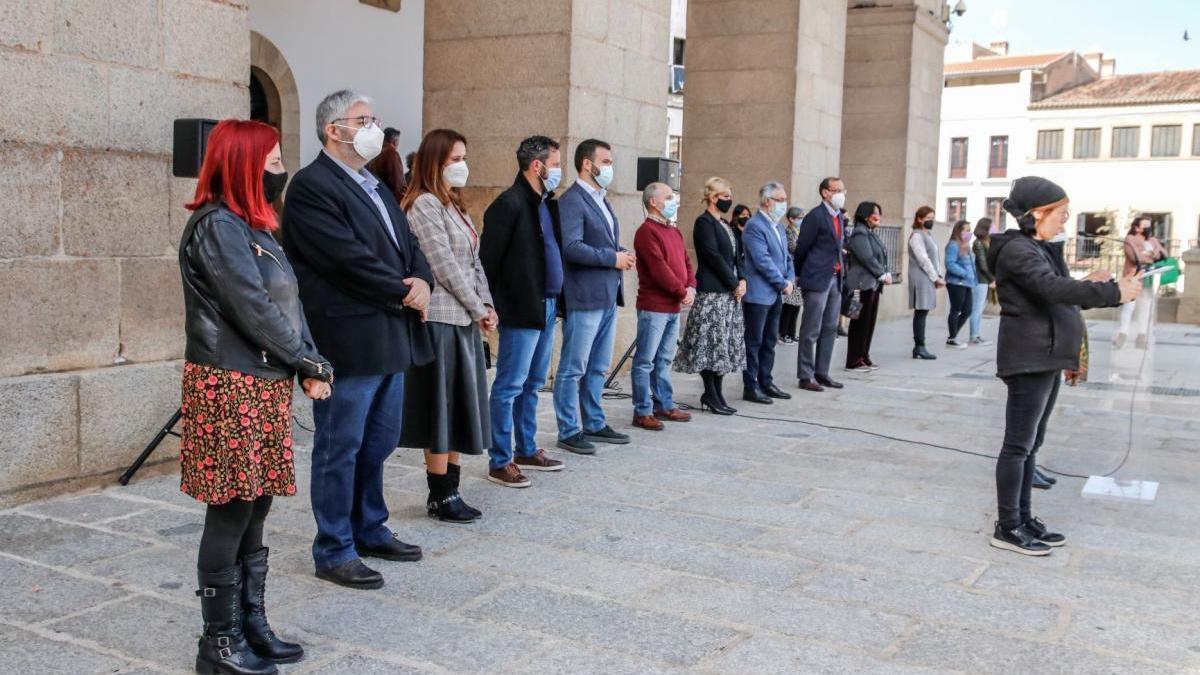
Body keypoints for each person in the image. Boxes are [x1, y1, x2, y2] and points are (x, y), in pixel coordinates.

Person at [179, 119, 332, 675]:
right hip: (229, 385)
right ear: (243, 165)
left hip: (261, 385)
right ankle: (217, 645)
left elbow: (290, 305)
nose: (280, 171)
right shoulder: (217, 226)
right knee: (230, 511)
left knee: (256, 508)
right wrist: (308, 362)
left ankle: (251, 623)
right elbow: (252, 309)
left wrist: (310, 359)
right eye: (271, 163)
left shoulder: (258, 229)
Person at [283, 90, 433, 590]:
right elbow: (344, 259)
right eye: (362, 119)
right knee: (339, 446)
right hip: (347, 336)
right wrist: (402, 291)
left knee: (380, 441)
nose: (372, 127)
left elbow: (409, 244)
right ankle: (334, 546)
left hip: (391, 331)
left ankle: (369, 526)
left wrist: (423, 280)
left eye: (373, 117)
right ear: (334, 130)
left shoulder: (376, 185)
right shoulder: (311, 187)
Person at [987, 176, 1139, 556]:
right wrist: (1112, 292)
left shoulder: (1035, 247)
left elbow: (1059, 285)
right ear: (1037, 213)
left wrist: (1087, 280)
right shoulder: (1016, 250)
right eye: (1061, 213)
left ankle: (1023, 517)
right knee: (1018, 445)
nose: (1065, 220)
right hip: (1028, 357)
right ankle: (1007, 526)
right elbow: (1051, 289)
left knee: (1032, 443)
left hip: (1047, 354)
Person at [398, 129, 496, 523]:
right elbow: (443, 267)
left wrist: (486, 304)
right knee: (440, 409)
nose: (462, 165)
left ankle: (452, 488)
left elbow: (474, 261)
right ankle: (440, 493)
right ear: (435, 161)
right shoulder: (423, 205)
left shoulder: (454, 205)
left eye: (464, 157)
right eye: (455, 158)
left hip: (465, 319)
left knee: (458, 407)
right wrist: (477, 308)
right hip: (440, 318)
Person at [479, 136, 566, 489]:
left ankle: (526, 447)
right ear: (537, 166)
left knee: (533, 383)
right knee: (509, 385)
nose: (559, 171)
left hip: (546, 305)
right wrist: (488, 305)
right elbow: (488, 262)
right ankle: (500, 460)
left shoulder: (546, 202)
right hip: (520, 306)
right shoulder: (509, 204)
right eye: (556, 164)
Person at [553, 138, 633, 454]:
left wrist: (620, 252)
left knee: (598, 366)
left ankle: (594, 422)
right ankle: (569, 428)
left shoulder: (602, 199)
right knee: (574, 367)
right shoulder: (572, 201)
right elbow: (571, 247)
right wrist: (611, 258)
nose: (610, 168)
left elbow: (603, 241)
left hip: (607, 295)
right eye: (607, 161)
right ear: (588, 164)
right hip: (584, 296)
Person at [674, 177, 746, 415]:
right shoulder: (704, 222)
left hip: (729, 294)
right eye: (725, 196)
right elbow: (713, 257)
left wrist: (743, 279)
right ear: (713, 198)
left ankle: (718, 393)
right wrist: (734, 283)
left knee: (723, 346)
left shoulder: (725, 223)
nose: (729, 200)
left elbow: (737, 255)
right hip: (713, 292)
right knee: (710, 345)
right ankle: (710, 393)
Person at [630, 182, 695, 430]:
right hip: (654, 306)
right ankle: (642, 410)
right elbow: (659, 269)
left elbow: (686, 263)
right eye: (668, 197)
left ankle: (664, 404)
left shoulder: (674, 231)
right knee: (645, 361)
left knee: (664, 359)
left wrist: (691, 286)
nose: (673, 201)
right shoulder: (646, 232)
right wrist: (681, 291)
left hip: (673, 307)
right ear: (653, 202)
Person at [740, 181, 794, 404]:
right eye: (780, 200)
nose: (784, 204)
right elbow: (762, 261)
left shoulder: (778, 226)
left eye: (784, 200)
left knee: (770, 340)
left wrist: (790, 279)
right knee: (754, 341)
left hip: (776, 293)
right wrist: (782, 282)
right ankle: (750, 385)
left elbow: (787, 257)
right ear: (766, 201)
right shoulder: (755, 226)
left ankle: (766, 380)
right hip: (759, 294)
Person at [793, 177, 848, 392]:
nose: (841, 194)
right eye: (837, 190)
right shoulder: (815, 216)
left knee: (830, 327)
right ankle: (805, 375)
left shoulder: (839, 217)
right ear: (825, 192)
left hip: (835, 278)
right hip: (816, 278)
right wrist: (799, 274)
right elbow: (802, 248)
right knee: (811, 328)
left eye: (843, 190)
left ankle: (822, 372)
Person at [843, 201, 892, 371]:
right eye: (875, 213)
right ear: (865, 215)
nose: (878, 216)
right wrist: (882, 274)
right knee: (858, 323)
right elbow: (867, 258)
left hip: (871, 286)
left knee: (868, 324)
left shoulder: (870, 233)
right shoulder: (859, 234)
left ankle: (863, 356)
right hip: (859, 287)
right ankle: (854, 360)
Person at [1115, 216, 1167, 349]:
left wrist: (1152, 254)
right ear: (1137, 228)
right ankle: (1122, 334)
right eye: (1145, 225)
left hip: (1149, 279)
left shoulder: (1153, 240)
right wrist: (1152, 256)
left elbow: (1164, 253)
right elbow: (1134, 257)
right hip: (1133, 277)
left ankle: (1141, 337)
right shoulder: (1130, 239)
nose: (1148, 228)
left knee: (1145, 308)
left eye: (1149, 225)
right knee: (1129, 307)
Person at [908, 206, 945, 360]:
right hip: (921, 277)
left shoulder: (927, 234)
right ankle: (919, 346)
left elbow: (935, 257)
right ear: (919, 219)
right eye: (928, 217)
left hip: (928, 277)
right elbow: (923, 259)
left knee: (923, 311)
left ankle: (920, 346)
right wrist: (934, 277)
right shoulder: (916, 236)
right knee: (921, 311)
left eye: (932, 217)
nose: (931, 220)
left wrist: (938, 274)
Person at [944, 219, 976, 349]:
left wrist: (973, 278)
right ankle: (952, 339)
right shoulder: (953, 245)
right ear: (959, 231)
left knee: (967, 311)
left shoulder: (966, 246)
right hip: (956, 283)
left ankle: (952, 336)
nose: (969, 233)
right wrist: (964, 273)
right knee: (956, 310)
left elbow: (972, 265)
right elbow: (950, 263)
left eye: (970, 230)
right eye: (966, 230)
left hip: (967, 283)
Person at [778, 206, 805, 344]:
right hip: (791, 271)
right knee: (789, 304)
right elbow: (794, 248)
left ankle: (792, 332)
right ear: (791, 219)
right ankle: (784, 333)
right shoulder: (788, 231)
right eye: (799, 218)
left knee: (796, 304)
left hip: (800, 271)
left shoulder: (801, 231)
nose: (801, 220)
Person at [969, 218, 995, 346]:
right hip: (980, 280)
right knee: (977, 309)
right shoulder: (979, 243)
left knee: (980, 308)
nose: (994, 228)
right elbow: (982, 264)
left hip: (984, 279)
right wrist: (992, 279)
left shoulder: (986, 242)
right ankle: (974, 336)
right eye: (992, 226)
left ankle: (976, 335)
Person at [366, 126, 407, 203]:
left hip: (377, 199)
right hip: (391, 201)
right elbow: (398, 183)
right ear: (395, 141)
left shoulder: (375, 154)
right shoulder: (391, 154)